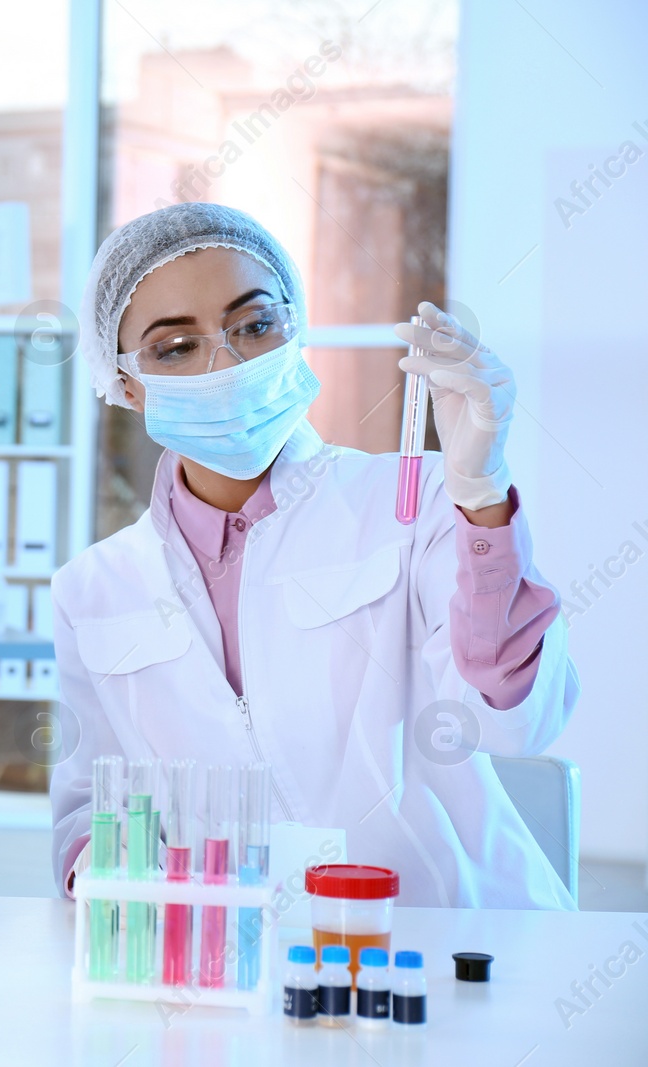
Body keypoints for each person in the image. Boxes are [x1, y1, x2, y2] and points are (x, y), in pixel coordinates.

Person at [50, 202, 578, 909]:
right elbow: (87, 811)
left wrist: (482, 495)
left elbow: (513, 719)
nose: (227, 361)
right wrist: (115, 887)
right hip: (244, 972)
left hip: (458, 944)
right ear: (121, 383)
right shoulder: (93, 589)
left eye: (255, 324)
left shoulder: (413, 503)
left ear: (295, 327)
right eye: (175, 347)